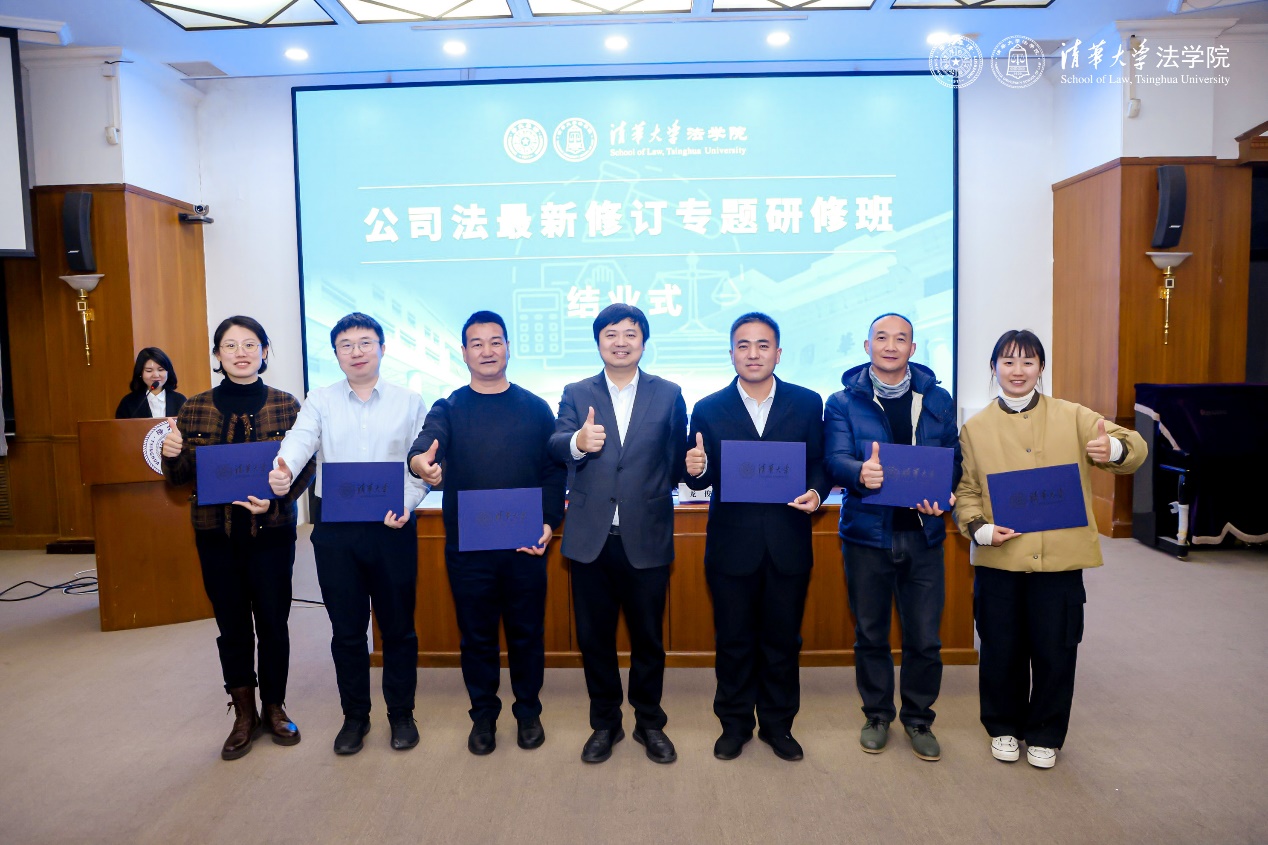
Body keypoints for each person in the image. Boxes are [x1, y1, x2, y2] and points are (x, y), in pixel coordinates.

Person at [955, 329, 1145, 769]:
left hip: (1059, 562)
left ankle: (1045, 732)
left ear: (1041, 368)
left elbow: (1135, 449)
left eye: (1027, 362)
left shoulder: (1074, 416)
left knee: (1056, 649)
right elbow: (966, 491)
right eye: (1008, 361)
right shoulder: (975, 428)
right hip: (1001, 559)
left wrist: (1114, 446)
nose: (1017, 371)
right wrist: (980, 529)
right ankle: (1003, 726)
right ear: (993, 368)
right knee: (1000, 647)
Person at [268, 313, 429, 756]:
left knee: (398, 629)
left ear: (382, 348)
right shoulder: (319, 400)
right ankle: (355, 716)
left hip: (392, 528)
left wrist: (408, 503)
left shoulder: (409, 401)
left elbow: (420, 463)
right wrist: (283, 470)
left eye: (365, 342)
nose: (356, 352)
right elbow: (300, 441)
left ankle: (402, 714)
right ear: (336, 353)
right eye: (346, 345)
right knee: (347, 631)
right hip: (337, 533)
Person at [406, 311, 566, 756]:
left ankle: (528, 711)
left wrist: (549, 522)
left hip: (525, 544)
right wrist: (420, 463)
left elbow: (554, 472)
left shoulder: (536, 408)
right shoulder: (449, 407)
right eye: (476, 343)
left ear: (508, 348)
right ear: (463, 353)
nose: (487, 351)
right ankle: (483, 716)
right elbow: (426, 443)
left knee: (526, 633)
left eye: (495, 341)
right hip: (469, 547)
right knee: (476, 636)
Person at [160, 316, 316, 760]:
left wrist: (278, 501)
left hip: (272, 535)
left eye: (251, 344)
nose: (241, 352)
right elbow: (180, 477)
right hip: (215, 536)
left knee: (273, 622)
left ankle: (274, 707)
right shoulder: (194, 407)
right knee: (232, 627)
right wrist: (171, 455)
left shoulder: (287, 405)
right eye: (230, 345)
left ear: (265, 351)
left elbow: (305, 465)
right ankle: (244, 714)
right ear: (217, 354)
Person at [683, 312, 829, 762]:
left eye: (762, 345)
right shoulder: (708, 407)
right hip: (732, 545)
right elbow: (700, 472)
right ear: (731, 354)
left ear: (778, 353)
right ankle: (734, 724)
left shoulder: (807, 402)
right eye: (743, 346)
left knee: (783, 641)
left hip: (788, 542)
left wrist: (816, 492)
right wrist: (696, 470)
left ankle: (778, 725)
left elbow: (819, 463)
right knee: (733, 640)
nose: (753, 354)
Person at [548, 303, 690, 765]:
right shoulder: (576, 392)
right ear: (598, 342)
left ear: (644, 342)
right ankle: (605, 723)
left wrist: (695, 468)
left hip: (646, 535)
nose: (621, 342)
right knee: (595, 639)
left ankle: (650, 722)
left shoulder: (668, 394)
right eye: (611, 334)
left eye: (631, 333)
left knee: (648, 639)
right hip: (591, 538)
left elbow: (674, 460)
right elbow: (556, 443)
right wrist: (578, 442)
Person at [824, 312, 961, 762]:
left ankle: (919, 719)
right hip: (867, 536)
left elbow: (953, 458)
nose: (890, 345)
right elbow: (834, 458)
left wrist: (945, 492)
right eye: (881, 337)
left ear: (912, 349)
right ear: (867, 346)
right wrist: (858, 472)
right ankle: (877, 715)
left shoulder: (937, 398)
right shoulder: (842, 402)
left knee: (925, 638)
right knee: (871, 634)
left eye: (900, 339)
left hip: (923, 535)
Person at [116, 347, 187, 419]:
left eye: (161, 370)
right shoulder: (128, 402)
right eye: (149, 371)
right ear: (140, 373)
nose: (156, 375)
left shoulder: (180, 400)